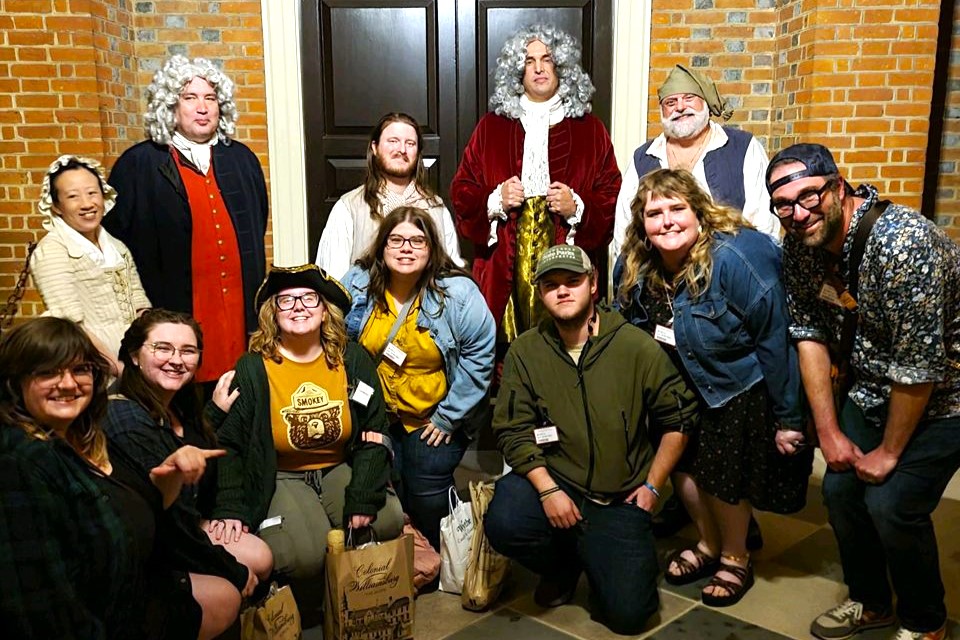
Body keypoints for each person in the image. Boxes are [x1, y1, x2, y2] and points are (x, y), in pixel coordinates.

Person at [767, 144, 960, 640]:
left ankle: (925, 622)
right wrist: (828, 432)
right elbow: (808, 333)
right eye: (783, 204)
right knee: (839, 492)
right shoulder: (800, 247)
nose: (799, 212)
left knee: (892, 504)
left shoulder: (904, 243)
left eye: (809, 195)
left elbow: (919, 365)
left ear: (838, 186)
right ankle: (872, 602)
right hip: (874, 386)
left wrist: (890, 452)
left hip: (947, 394)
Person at [614, 168, 811, 607]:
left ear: (699, 213)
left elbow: (775, 339)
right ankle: (707, 543)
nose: (666, 221)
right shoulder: (633, 263)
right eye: (654, 213)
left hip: (736, 384)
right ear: (641, 224)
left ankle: (736, 557)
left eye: (676, 209)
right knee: (686, 470)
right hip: (678, 385)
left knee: (724, 479)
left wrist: (788, 418)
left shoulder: (738, 257)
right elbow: (623, 324)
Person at [483, 244, 699, 635]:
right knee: (505, 519)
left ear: (594, 284)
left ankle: (596, 554)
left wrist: (653, 485)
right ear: (540, 292)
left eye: (573, 281)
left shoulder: (633, 345)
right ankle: (563, 565)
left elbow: (679, 417)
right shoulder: (526, 351)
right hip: (559, 481)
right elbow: (511, 429)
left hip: (619, 497)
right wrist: (548, 491)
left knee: (630, 616)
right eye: (551, 285)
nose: (563, 291)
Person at [0, 317, 227, 639]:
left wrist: (171, 475)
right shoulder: (20, 463)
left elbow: (138, 507)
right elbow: (42, 609)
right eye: (47, 372)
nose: (67, 384)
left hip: (131, 599)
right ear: (15, 382)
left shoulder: (83, 437)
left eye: (80, 370)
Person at [208, 264, 404, 580]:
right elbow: (228, 443)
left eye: (309, 298)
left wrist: (363, 495)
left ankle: (355, 590)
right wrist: (230, 504)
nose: (298, 306)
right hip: (281, 473)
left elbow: (374, 433)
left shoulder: (351, 359)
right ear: (274, 314)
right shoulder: (252, 368)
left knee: (386, 520)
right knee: (302, 557)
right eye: (286, 300)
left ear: (325, 312)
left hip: (339, 464)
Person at [450, 24, 621, 344]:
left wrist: (577, 207)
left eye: (547, 59)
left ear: (563, 66)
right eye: (529, 61)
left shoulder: (590, 129)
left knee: (567, 346)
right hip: (504, 260)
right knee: (502, 351)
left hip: (565, 255)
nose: (539, 68)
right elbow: (462, 190)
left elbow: (612, 193)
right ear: (517, 70)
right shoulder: (492, 127)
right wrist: (494, 200)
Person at [105, 55, 268, 384]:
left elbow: (258, 221)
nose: (203, 107)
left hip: (237, 306)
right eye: (190, 98)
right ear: (171, 106)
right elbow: (116, 241)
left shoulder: (241, 159)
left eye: (210, 98)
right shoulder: (138, 165)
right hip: (175, 306)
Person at [340, 206, 495, 552]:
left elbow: (479, 357)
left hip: (435, 415)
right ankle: (398, 563)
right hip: (377, 412)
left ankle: (440, 556)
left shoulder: (457, 294)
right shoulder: (358, 284)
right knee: (389, 490)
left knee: (425, 492)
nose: (406, 248)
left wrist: (449, 417)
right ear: (381, 246)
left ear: (431, 250)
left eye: (417, 241)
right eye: (396, 239)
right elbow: (335, 337)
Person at [102, 310, 273, 618]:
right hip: (152, 545)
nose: (176, 360)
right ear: (134, 355)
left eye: (188, 351)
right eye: (163, 348)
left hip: (186, 521)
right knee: (235, 588)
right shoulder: (127, 420)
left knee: (260, 556)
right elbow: (170, 523)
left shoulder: (178, 401)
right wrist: (231, 570)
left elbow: (203, 453)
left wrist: (215, 412)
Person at [612, 64, 780, 258]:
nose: (680, 107)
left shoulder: (742, 148)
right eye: (671, 102)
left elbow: (764, 223)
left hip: (729, 277)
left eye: (689, 98)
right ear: (662, 111)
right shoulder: (643, 158)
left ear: (706, 103)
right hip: (660, 279)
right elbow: (624, 231)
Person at [30, 155, 151, 371]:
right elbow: (71, 325)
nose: (87, 204)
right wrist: (115, 367)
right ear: (56, 205)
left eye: (92, 193)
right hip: (91, 363)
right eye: (73, 196)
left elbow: (139, 302)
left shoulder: (116, 246)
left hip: (135, 360)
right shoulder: (52, 250)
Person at [315, 112, 463, 280]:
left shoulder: (437, 208)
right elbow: (333, 283)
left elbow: (453, 280)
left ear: (418, 152)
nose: (401, 149)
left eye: (410, 143)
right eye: (393, 141)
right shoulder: (349, 207)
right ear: (374, 147)